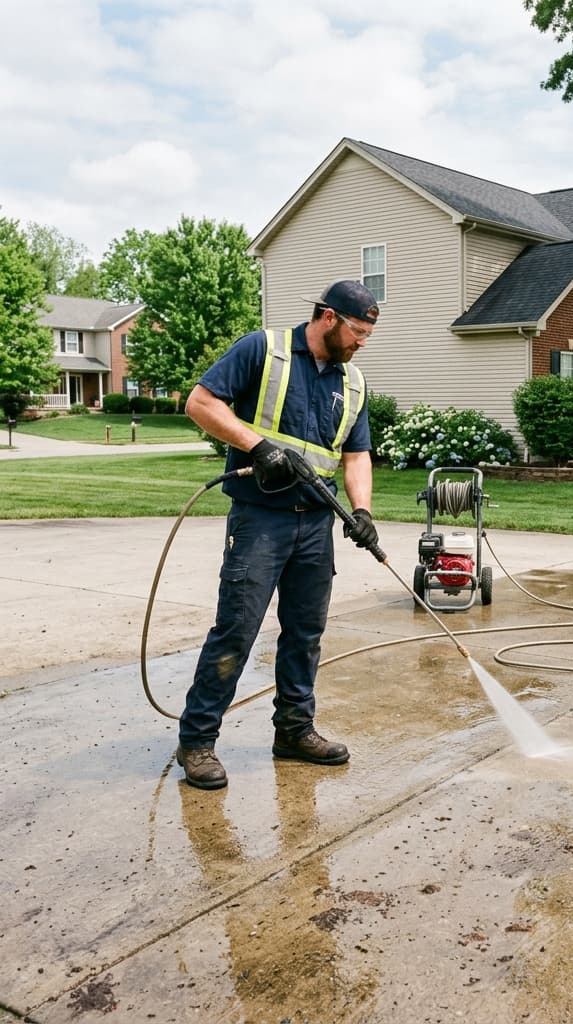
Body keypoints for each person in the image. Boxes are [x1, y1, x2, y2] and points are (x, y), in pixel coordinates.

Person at [176, 279, 381, 790]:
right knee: (237, 631)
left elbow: (356, 455)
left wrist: (361, 510)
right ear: (328, 318)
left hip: (316, 525)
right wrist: (257, 444)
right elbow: (200, 404)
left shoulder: (351, 383)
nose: (361, 342)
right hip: (260, 521)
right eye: (357, 331)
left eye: (367, 335)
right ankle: (197, 742)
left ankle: (294, 730)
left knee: (305, 635)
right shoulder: (262, 350)